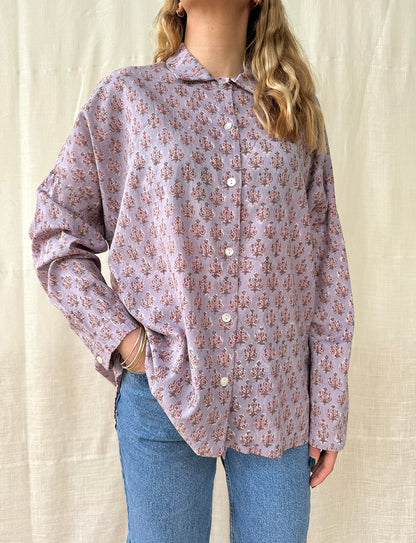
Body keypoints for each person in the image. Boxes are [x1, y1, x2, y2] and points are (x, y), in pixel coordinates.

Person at [28, 0, 355, 541]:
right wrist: (128, 344)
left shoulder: (293, 111)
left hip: (275, 398)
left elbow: (326, 269)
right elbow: (56, 230)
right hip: (163, 391)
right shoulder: (131, 98)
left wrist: (326, 405)